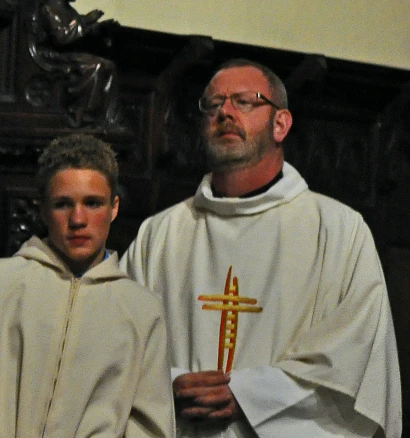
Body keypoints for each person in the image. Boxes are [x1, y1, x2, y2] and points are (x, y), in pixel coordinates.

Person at [121, 59, 401, 437]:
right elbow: (116, 341)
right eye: (213, 104)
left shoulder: (337, 230)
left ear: (281, 123)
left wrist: (250, 395)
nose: (225, 113)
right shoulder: (161, 234)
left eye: (245, 102)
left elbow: (355, 354)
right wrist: (168, 384)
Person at [0, 134, 175, 437]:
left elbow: (148, 425)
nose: (77, 219)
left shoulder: (140, 310)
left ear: (114, 208)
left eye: (92, 203)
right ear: (42, 209)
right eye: (63, 204)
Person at [29, 0, 120, 129]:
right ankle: (84, 110)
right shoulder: (50, 8)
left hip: (70, 51)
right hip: (56, 54)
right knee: (97, 66)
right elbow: (62, 38)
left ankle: (104, 114)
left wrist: (98, 27)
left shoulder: (65, 8)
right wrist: (88, 20)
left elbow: (76, 29)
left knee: (109, 65)